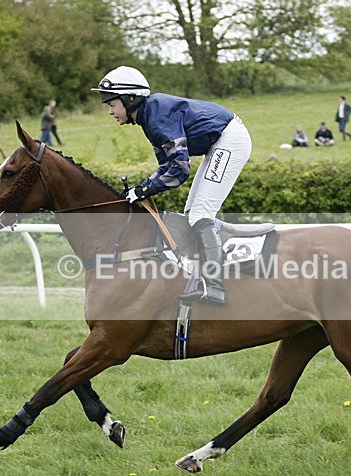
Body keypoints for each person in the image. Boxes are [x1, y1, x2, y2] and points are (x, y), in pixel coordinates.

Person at [92, 65, 252, 305]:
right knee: (191, 215)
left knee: (200, 214)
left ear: (131, 99)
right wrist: (140, 189)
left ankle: (215, 286)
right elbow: (165, 167)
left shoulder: (156, 116)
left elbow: (179, 171)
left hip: (230, 139)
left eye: (112, 104)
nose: (110, 112)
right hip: (219, 142)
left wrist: (143, 191)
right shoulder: (148, 118)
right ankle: (203, 276)